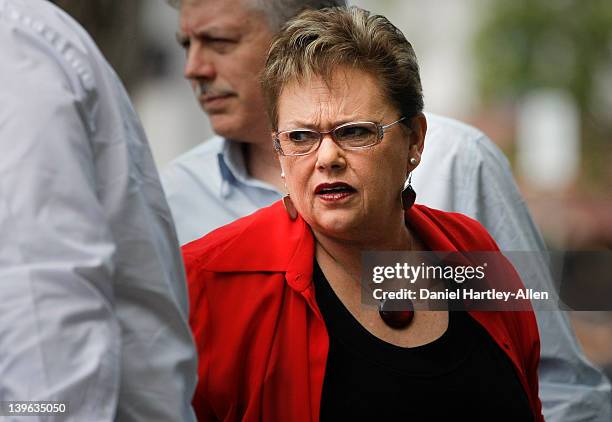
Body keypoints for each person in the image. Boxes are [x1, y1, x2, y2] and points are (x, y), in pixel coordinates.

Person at [164, 1, 612, 421]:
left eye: (355, 132)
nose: (326, 158)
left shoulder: (467, 243)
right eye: (300, 138)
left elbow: (549, 378)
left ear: (415, 141)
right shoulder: (207, 280)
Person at [0, 0, 197, 420]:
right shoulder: (189, 184)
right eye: (188, 44)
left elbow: (45, 331)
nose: (196, 68)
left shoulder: (11, 52)